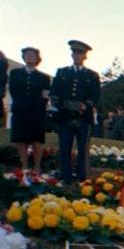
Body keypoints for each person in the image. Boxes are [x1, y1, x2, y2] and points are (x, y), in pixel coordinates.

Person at [50, 40, 100, 183]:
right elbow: (54, 92)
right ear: (71, 54)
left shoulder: (92, 75)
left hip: (83, 117)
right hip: (65, 115)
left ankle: (81, 176)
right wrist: (59, 105)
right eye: (74, 52)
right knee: (64, 146)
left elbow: (95, 95)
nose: (76, 55)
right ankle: (65, 175)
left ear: (85, 56)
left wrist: (87, 105)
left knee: (83, 147)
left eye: (80, 53)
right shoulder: (62, 72)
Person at [8, 47, 51, 173]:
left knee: (37, 139)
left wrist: (39, 107)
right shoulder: (15, 73)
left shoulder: (44, 77)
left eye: (32, 55)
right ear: (23, 57)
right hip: (20, 111)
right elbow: (13, 90)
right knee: (21, 139)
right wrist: (21, 105)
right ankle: (25, 166)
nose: (29, 57)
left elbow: (45, 95)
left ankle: (37, 167)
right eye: (26, 55)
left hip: (37, 112)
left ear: (38, 59)